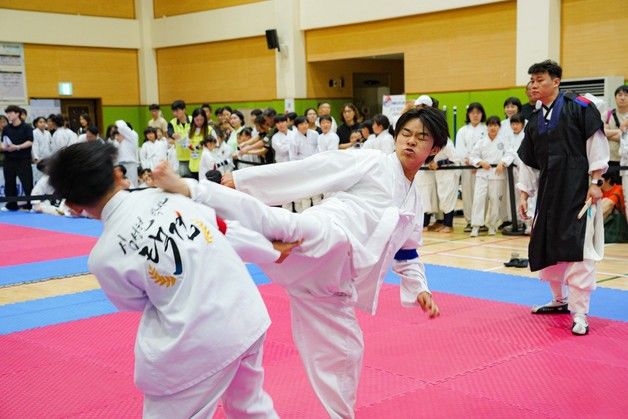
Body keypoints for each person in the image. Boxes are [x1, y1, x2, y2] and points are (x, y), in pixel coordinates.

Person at [155, 107, 445, 418]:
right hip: (333, 236)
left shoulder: (414, 201)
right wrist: (241, 180)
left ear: (435, 149)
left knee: (347, 352)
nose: (410, 142)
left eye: (421, 138)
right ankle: (194, 191)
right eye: (406, 134)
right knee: (286, 228)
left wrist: (420, 289)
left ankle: (341, 415)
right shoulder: (372, 161)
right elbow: (313, 169)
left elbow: (407, 251)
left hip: (334, 286)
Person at [46, 141, 281, 418]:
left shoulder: (103, 258)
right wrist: (271, 250)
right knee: (250, 408)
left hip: (200, 341)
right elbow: (222, 232)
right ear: (118, 174)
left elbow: (133, 302)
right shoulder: (169, 194)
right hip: (247, 314)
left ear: (72, 205)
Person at [517, 60, 609, 335]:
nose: (534, 84)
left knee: (577, 249)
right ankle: (559, 300)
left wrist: (596, 183)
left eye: (540, 79)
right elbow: (528, 161)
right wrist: (524, 193)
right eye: (531, 80)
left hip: (576, 191)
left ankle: (580, 313)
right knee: (548, 244)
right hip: (547, 193)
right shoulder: (534, 119)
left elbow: (597, 144)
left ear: (556, 81)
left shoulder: (578, 107)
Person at [469, 116, 508, 237]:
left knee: (495, 201)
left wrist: (503, 162)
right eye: (490, 125)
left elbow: (511, 153)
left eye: (495, 125)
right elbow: (472, 156)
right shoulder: (481, 141)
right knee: (478, 200)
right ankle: (475, 227)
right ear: (487, 127)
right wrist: (480, 162)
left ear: (499, 127)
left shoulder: (504, 141)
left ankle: (492, 226)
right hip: (482, 175)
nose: (493, 127)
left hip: (497, 175)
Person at [455, 103, 488, 232]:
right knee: (468, 195)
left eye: (478, 112)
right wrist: (470, 161)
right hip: (467, 168)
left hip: (482, 168)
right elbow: (460, 150)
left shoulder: (486, 129)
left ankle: (482, 222)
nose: (475, 115)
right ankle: (469, 221)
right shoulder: (462, 131)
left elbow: (487, 149)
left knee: (482, 195)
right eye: (472, 112)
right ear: (468, 114)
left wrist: (478, 163)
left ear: (482, 114)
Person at [1, 105, 34, 211]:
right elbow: (3, 142)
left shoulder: (27, 127)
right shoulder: (6, 128)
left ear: (17, 114)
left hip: (23, 160)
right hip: (9, 160)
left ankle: (30, 205)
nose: (9, 115)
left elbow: (30, 141)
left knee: (27, 183)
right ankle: (11, 205)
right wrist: (5, 148)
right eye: (7, 113)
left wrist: (17, 147)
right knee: (9, 183)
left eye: (11, 113)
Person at [602, 85, 628, 185]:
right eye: (620, 95)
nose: (622, 97)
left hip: (625, 160)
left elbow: (607, 134)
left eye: (626, 95)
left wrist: (609, 133)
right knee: (609, 193)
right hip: (609, 160)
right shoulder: (607, 114)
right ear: (615, 97)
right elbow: (601, 132)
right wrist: (620, 132)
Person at [167, 100, 192, 177]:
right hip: (182, 158)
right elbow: (170, 132)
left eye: (177, 111)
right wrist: (173, 134)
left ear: (184, 110)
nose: (175, 113)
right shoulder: (172, 122)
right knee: (185, 180)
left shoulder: (192, 120)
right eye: (173, 111)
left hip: (194, 156)